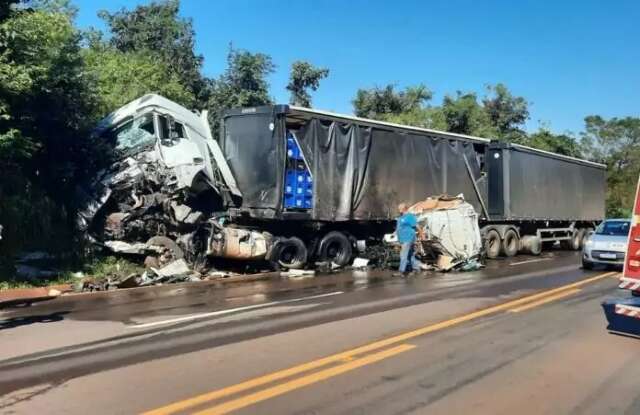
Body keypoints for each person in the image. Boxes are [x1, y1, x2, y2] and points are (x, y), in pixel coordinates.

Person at [395, 203, 423, 275]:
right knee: (410, 255)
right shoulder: (401, 217)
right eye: (398, 208)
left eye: (400, 208)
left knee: (403, 254)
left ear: (404, 208)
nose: (398, 210)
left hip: (408, 237)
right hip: (402, 239)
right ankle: (416, 268)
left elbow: (417, 226)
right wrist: (395, 235)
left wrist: (421, 235)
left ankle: (401, 271)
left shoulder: (410, 216)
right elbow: (399, 228)